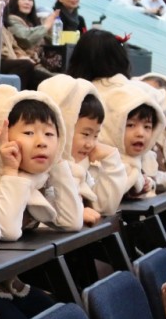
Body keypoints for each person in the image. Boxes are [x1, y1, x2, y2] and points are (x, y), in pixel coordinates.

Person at [0, 86, 82, 319]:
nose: (41, 142)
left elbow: (71, 221)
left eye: (50, 134)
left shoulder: (36, 180)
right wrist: (11, 172)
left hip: (9, 281)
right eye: (28, 132)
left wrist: (58, 164)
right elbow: (8, 230)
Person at [38, 75, 125, 227]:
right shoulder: (40, 168)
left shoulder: (83, 167)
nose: (91, 144)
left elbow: (105, 207)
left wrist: (112, 160)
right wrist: (79, 212)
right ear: (62, 126)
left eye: (96, 135)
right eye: (85, 134)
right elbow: (42, 215)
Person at [97, 78, 166, 199]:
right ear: (113, 127)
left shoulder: (144, 159)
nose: (140, 133)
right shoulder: (100, 160)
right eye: (130, 125)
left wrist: (148, 183)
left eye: (147, 127)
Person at [6, 0, 58, 66]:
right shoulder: (11, 20)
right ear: (14, 1)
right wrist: (46, 26)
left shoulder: (34, 22)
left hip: (39, 62)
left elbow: (52, 43)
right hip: (24, 63)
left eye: (30, 0)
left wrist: (51, 29)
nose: (27, 2)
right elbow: (26, 39)